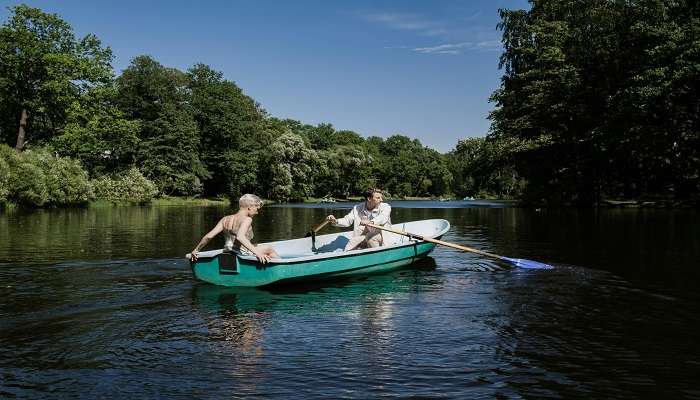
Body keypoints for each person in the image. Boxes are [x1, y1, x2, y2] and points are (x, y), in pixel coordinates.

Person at [190, 194, 279, 263]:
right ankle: (280, 267)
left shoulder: (225, 219)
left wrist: (196, 250)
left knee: (256, 245)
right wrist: (258, 253)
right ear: (249, 207)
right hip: (241, 253)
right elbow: (240, 237)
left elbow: (209, 236)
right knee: (268, 248)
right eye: (256, 208)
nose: (257, 212)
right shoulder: (247, 219)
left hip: (227, 251)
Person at [326, 188, 392, 251]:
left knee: (371, 238)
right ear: (369, 198)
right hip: (366, 235)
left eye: (381, 197)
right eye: (378, 198)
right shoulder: (357, 208)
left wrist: (371, 222)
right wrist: (335, 221)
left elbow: (383, 218)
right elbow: (347, 220)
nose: (381, 200)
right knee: (352, 242)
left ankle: (377, 256)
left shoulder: (386, 207)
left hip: (382, 236)